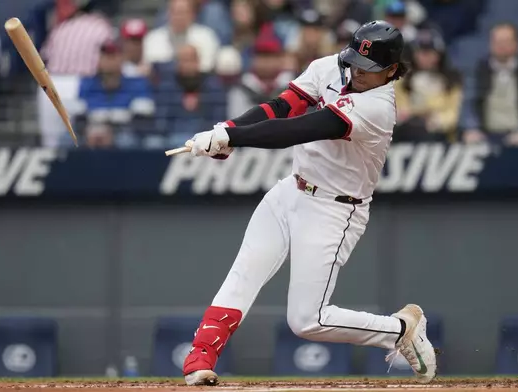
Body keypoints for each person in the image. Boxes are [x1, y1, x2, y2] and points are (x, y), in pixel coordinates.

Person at [180, 20, 437, 386]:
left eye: (370, 70)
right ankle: (200, 359)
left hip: (336, 209)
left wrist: (231, 136)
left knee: (307, 321)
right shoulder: (328, 67)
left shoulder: (378, 107)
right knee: (244, 272)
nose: (358, 74)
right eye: (355, 64)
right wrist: (226, 132)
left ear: (392, 70)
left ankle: (399, 330)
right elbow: (279, 109)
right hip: (291, 191)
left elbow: (297, 130)